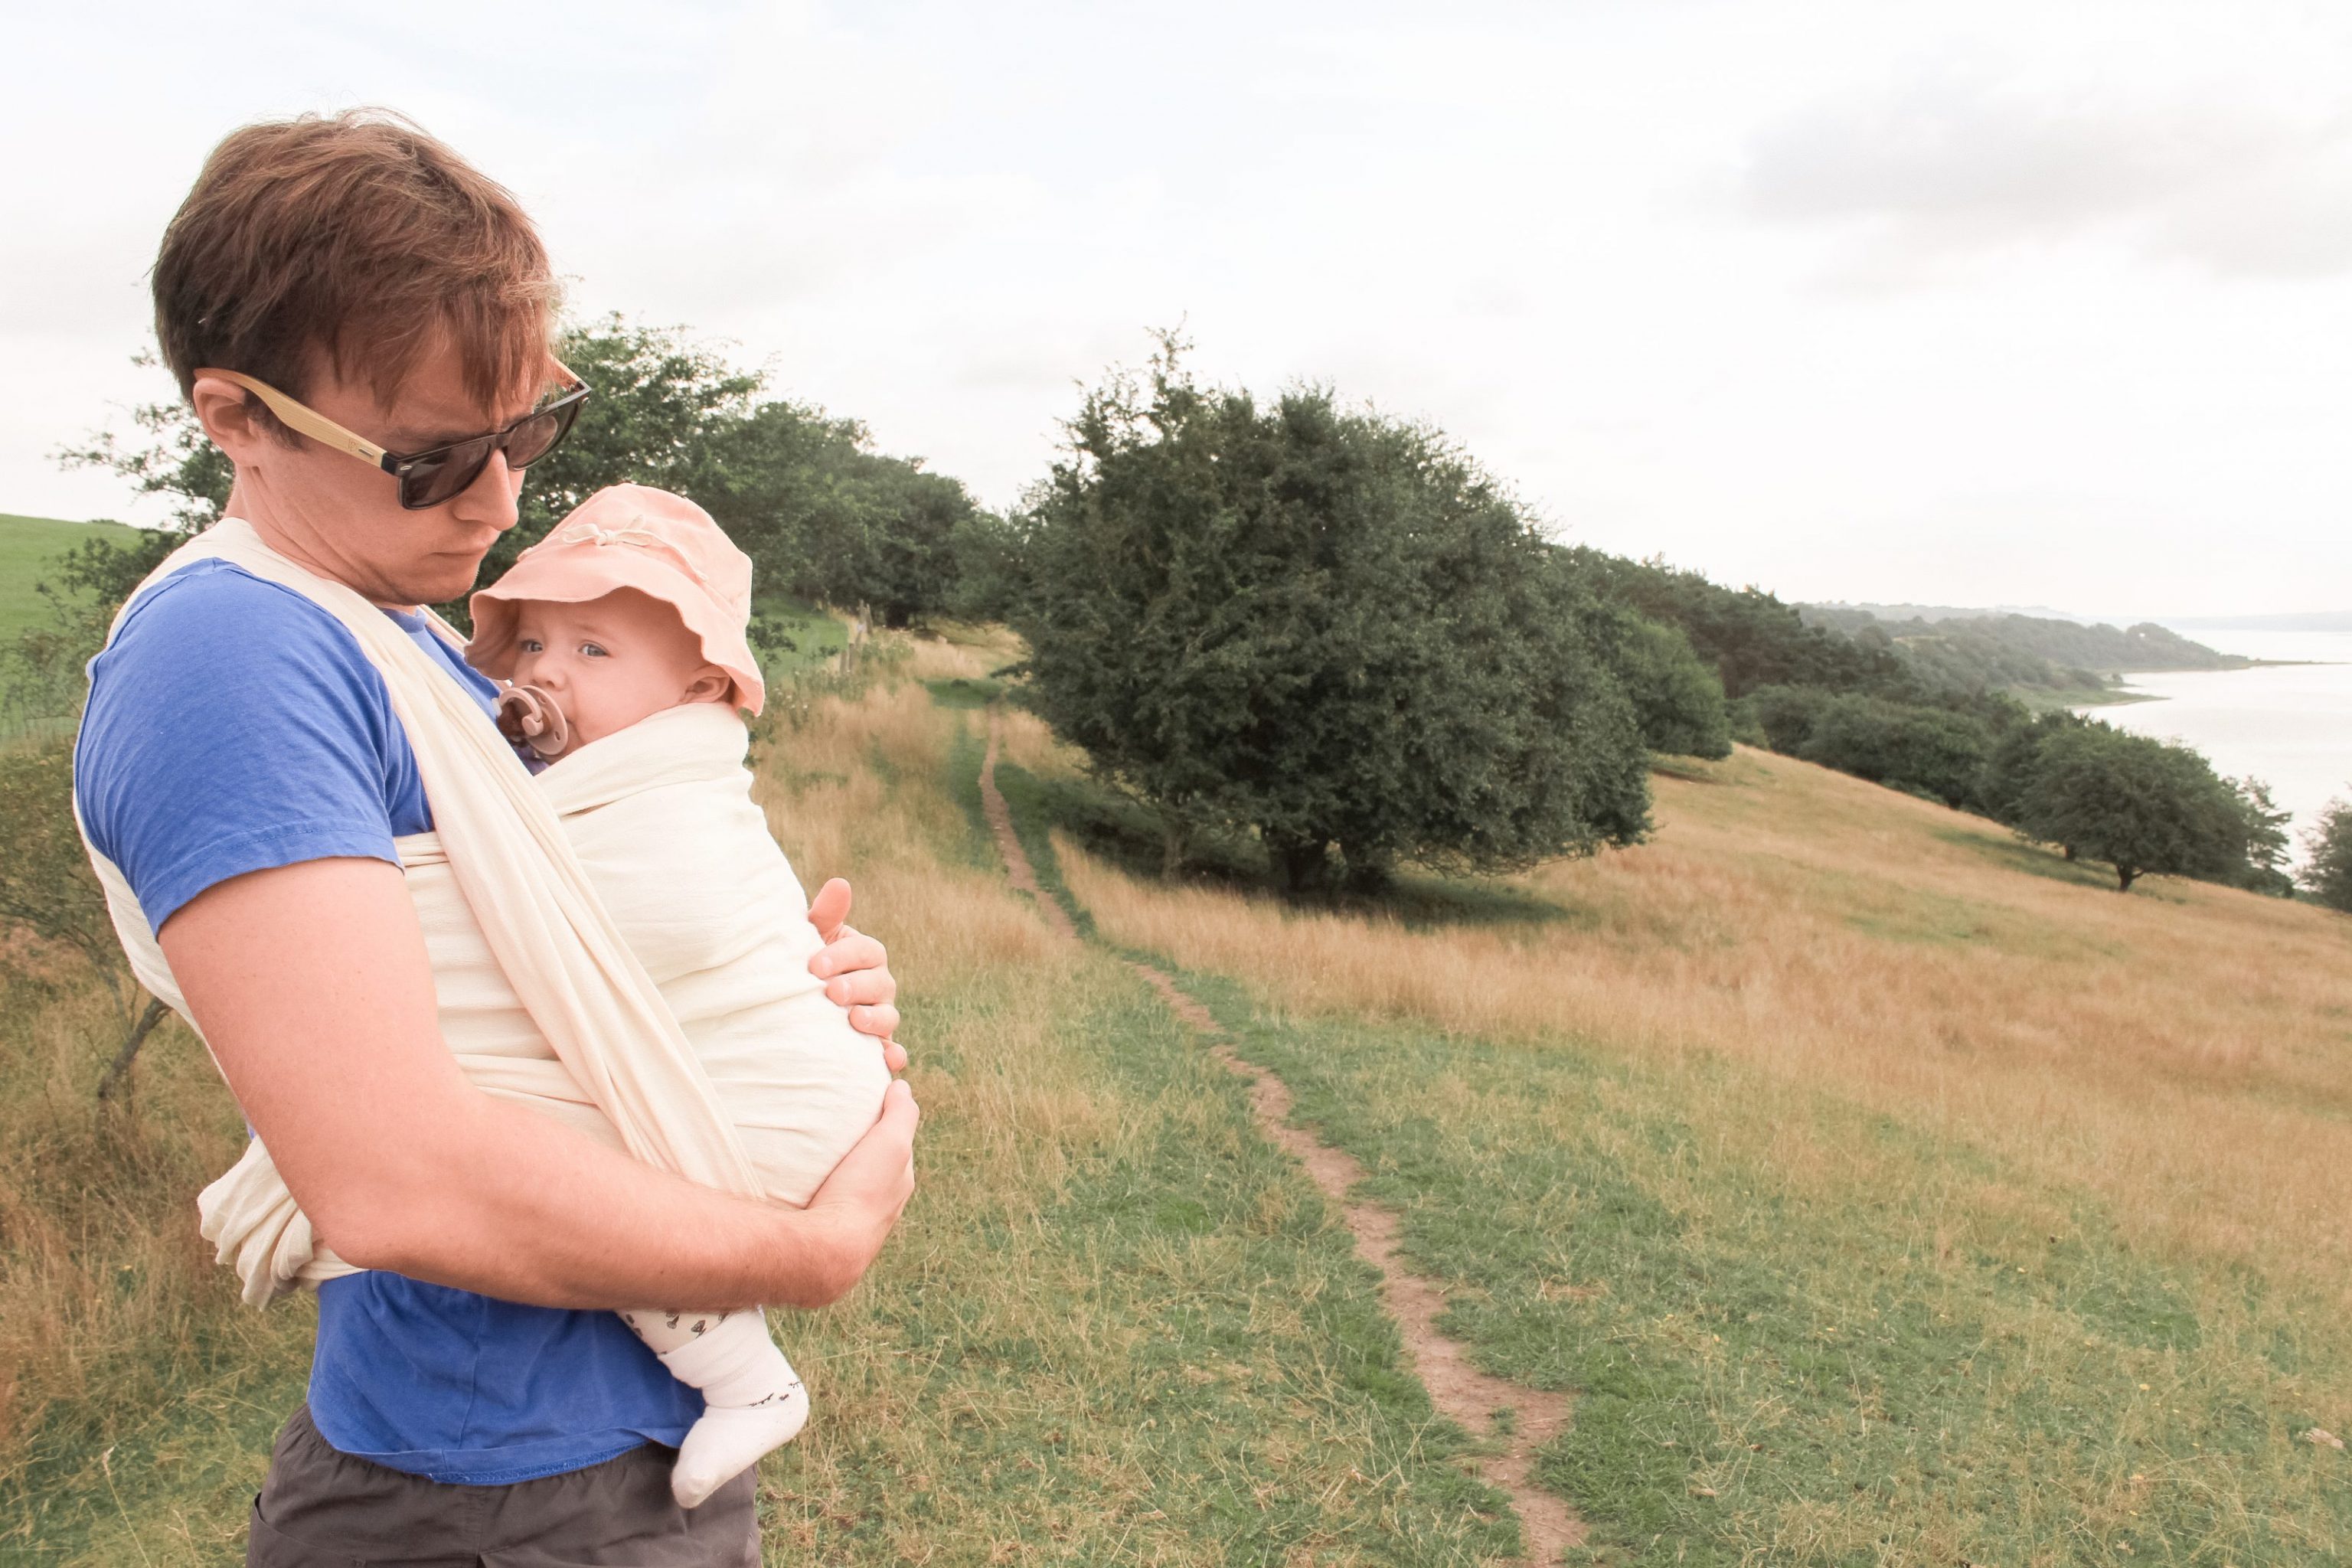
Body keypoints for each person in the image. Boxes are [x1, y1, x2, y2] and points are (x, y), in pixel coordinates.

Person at [71, 110, 916, 1566]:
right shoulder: (236, 656)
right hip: (483, 1494)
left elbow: (564, 948)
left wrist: (766, 982)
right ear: (237, 418)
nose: (504, 501)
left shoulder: (407, 639)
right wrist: (815, 1252)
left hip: (603, 1448)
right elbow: (401, 1174)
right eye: (432, 459)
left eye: (531, 431)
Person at [192, 482, 893, 1511]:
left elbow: (612, 918)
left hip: (620, 1438)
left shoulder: (673, 792)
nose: (546, 673)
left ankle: (746, 1382)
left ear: (699, 692)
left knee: (613, 1181)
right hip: (391, 1419)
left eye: (593, 651)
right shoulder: (435, 724)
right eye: (531, 645)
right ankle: (747, 1379)